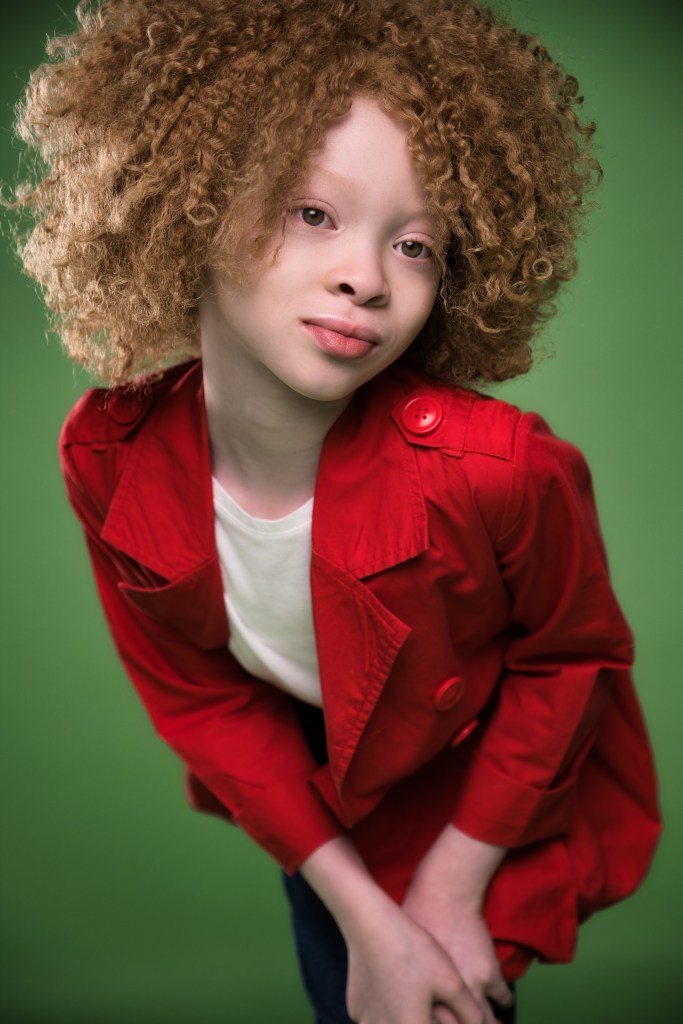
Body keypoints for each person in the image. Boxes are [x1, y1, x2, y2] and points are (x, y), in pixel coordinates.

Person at [9, 1, 661, 1022]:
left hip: (483, 780)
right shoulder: (108, 456)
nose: (365, 278)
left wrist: (448, 890)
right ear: (193, 201)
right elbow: (201, 700)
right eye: (312, 213)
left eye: (416, 245)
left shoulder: (498, 469)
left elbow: (570, 660)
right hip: (311, 789)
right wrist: (361, 912)